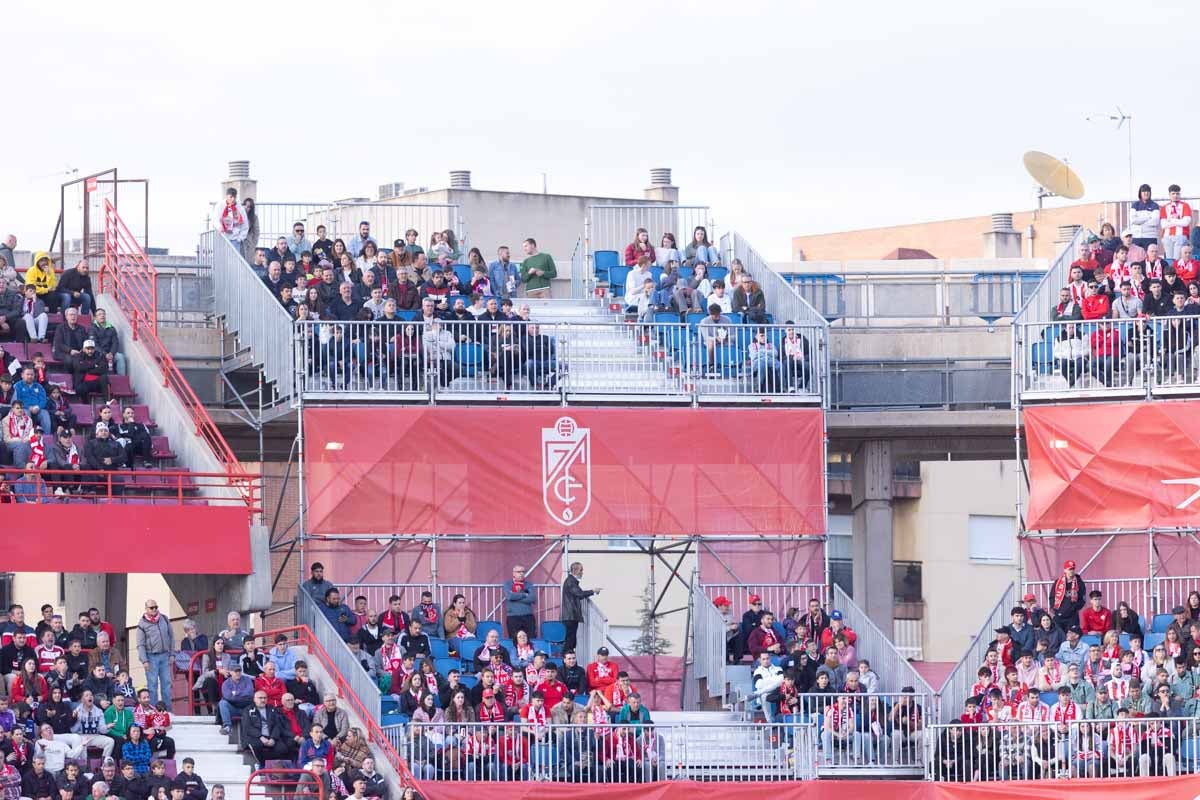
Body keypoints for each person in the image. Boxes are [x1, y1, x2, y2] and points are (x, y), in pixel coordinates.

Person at [240, 691, 288, 768]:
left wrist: (273, 738)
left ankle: (266, 764)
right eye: (260, 698)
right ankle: (262, 765)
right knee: (257, 746)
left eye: (265, 698)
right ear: (254, 699)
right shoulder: (247, 710)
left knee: (283, 749)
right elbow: (247, 727)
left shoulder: (272, 709)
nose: (263, 700)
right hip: (255, 737)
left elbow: (277, 725)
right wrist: (261, 737)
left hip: (270, 736)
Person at [503, 565, 538, 641]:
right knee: (514, 640)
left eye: (523, 572)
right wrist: (524, 594)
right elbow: (510, 596)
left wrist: (516, 597)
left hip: (528, 616)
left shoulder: (529, 584)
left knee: (531, 639)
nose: (521, 574)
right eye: (519, 572)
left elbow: (532, 598)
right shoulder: (508, 584)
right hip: (513, 617)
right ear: (513, 573)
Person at [1161, 184, 1193, 260]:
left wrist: (1172, 220)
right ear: (1169, 194)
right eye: (1173, 193)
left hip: (1180, 236)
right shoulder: (1164, 207)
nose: (1175, 195)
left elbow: (1186, 222)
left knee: (1177, 260)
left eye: (1177, 193)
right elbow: (1163, 225)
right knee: (1169, 260)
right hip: (1167, 236)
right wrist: (1179, 221)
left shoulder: (1185, 205)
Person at [1130, 184, 1160, 250]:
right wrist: (1148, 218)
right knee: (1137, 259)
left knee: (1150, 258)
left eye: (1148, 191)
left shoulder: (1155, 205)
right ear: (1140, 193)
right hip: (1136, 237)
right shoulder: (1135, 205)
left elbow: (1155, 222)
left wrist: (1140, 223)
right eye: (1144, 191)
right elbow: (1133, 220)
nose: (1146, 193)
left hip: (1150, 237)